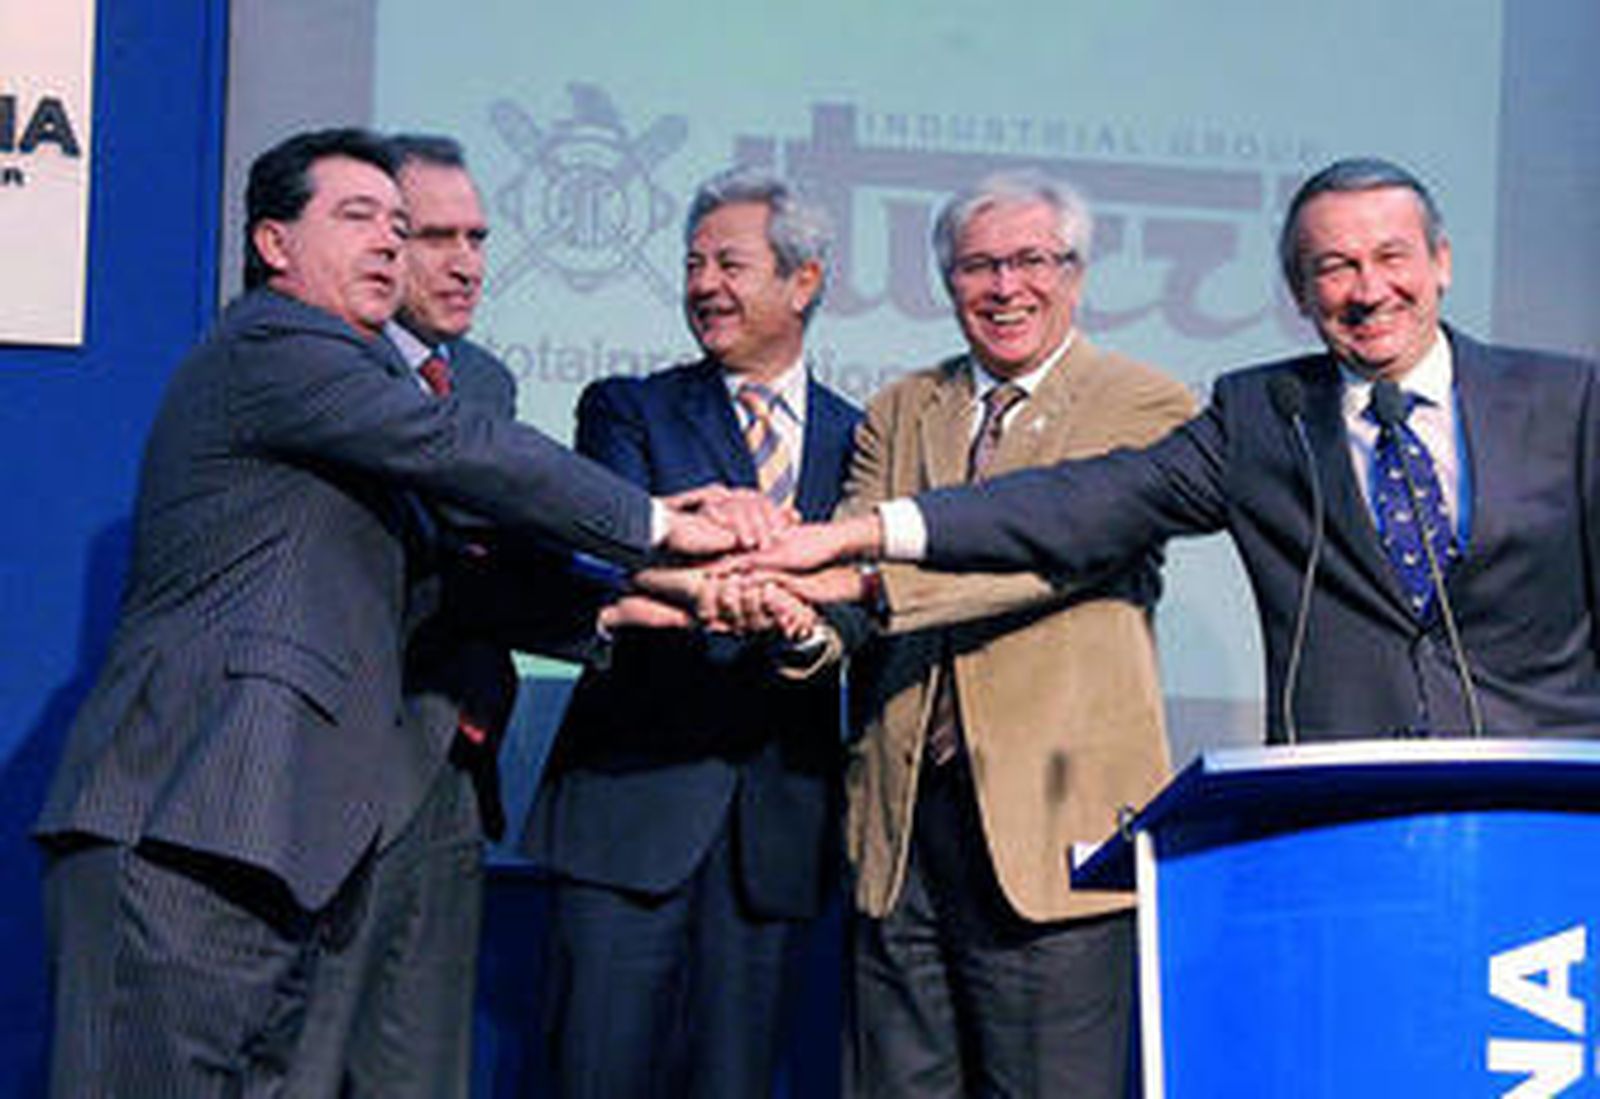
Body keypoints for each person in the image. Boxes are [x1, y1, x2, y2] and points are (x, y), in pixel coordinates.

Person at [34, 127, 754, 1099]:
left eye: (397, 223)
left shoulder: (363, 389)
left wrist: (640, 603)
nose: (389, 243)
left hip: (272, 838)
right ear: (274, 244)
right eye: (359, 217)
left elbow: (457, 575)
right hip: (188, 824)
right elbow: (465, 453)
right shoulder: (277, 348)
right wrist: (658, 521)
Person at [748, 156, 1600, 743]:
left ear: (1442, 262)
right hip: (1347, 808)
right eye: (1336, 267)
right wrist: (858, 534)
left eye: (1391, 258)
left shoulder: (1569, 402)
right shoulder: (1263, 417)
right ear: (1301, 292)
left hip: (1541, 808)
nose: (1369, 290)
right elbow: (1075, 502)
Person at [762, 172, 1195, 1097]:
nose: (1006, 287)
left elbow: (1043, 557)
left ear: (1075, 274)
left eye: (1031, 261)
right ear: (948, 282)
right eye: (978, 267)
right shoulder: (899, 407)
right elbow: (844, 606)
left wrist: (856, 572)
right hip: (902, 823)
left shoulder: (1146, 405)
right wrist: (800, 618)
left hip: (1056, 826)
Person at [523, 168, 860, 1098]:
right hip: (631, 801)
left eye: (730, 262)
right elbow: (605, 547)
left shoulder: (860, 437)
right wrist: (736, 572)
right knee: (594, 1073)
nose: (704, 283)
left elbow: (862, 604)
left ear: (804, 281)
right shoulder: (627, 408)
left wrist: (800, 626)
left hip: (775, 823)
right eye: (692, 263)